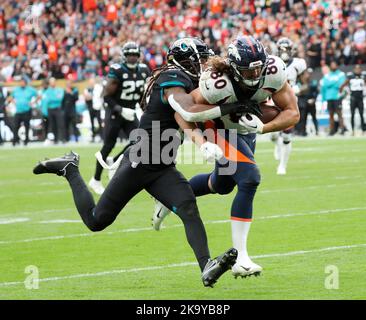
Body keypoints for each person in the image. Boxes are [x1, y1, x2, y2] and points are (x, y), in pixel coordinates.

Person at [33, 37, 257, 287]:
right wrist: (234, 107)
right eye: (201, 58)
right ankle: (70, 168)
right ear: (187, 60)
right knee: (96, 220)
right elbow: (188, 111)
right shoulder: (171, 78)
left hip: (163, 166)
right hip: (139, 162)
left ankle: (206, 266)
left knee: (189, 208)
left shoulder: (192, 81)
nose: (205, 63)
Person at [152, 36, 299, 278]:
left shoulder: (273, 71)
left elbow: (293, 113)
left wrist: (262, 129)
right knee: (249, 178)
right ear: (232, 68)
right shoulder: (215, 82)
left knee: (220, 184)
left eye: (257, 69)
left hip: (245, 128)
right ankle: (241, 257)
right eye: (247, 70)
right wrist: (200, 143)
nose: (253, 76)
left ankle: (168, 198)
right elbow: (184, 113)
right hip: (217, 127)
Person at [88, 42, 150, 195]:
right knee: (108, 145)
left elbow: (141, 95)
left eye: (135, 55)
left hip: (130, 112)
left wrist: (146, 111)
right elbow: (106, 96)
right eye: (129, 55)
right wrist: (120, 109)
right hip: (115, 112)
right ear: (124, 56)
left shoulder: (143, 70)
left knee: (140, 139)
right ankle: (95, 179)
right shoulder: (117, 70)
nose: (132, 58)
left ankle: (115, 160)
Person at [271, 37, 307, 175]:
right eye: (282, 49)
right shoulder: (272, 62)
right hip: (273, 102)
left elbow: (306, 84)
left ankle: (282, 166)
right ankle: (276, 143)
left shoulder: (298, 64)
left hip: (290, 103)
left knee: (286, 136)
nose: (285, 52)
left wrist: (298, 88)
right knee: (273, 134)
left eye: (287, 49)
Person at [7, 78, 38, 146]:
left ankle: (26, 141)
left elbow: (38, 95)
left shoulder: (30, 89)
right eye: (21, 82)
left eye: (23, 82)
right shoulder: (16, 90)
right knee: (15, 126)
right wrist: (13, 102)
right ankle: (15, 140)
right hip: (18, 111)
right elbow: (10, 97)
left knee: (26, 126)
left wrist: (33, 102)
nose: (22, 83)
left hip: (27, 110)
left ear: (25, 83)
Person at [320, 61, 347, 135]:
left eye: (334, 65)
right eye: (331, 65)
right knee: (330, 114)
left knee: (339, 113)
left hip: (337, 96)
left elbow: (341, 84)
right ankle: (332, 130)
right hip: (329, 97)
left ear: (337, 66)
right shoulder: (327, 75)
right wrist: (334, 82)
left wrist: (331, 83)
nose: (333, 66)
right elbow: (325, 84)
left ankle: (342, 129)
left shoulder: (341, 74)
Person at [340, 64, 366, 135]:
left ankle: (363, 130)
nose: (357, 70)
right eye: (356, 69)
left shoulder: (363, 76)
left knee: (361, 114)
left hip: (360, 98)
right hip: (353, 98)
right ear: (354, 69)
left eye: (359, 69)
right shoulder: (351, 76)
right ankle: (352, 130)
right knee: (352, 114)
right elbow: (343, 84)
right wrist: (341, 91)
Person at [296, 68, 319, 136]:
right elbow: (298, 92)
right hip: (303, 103)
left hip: (311, 102)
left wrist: (314, 99)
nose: (307, 75)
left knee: (314, 117)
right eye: (306, 74)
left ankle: (317, 131)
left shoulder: (312, 82)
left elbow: (316, 91)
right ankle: (303, 132)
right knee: (303, 118)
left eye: (308, 74)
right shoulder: (299, 83)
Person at [43, 77, 65, 143]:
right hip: (50, 109)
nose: (52, 83)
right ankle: (56, 139)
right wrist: (53, 98)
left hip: (57, 109)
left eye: (53, 82)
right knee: (53, 125)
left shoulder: (60, 90)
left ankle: (63, 138)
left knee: (60, 124)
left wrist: (51, 99)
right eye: (51, 82)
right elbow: (46, 100)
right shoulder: (47, 91)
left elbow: (59, 99)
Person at [84, 78, 103, 142]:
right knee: (92, 123)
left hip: (97, 107)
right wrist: (91, 96)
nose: (91, 83)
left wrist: (91, 96)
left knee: (99, 122)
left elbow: (99, 96)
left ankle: (101, 136)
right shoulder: (88, 89)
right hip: (91, 108)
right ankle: (93, 136)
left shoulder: (97, 88)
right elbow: (86, 98)